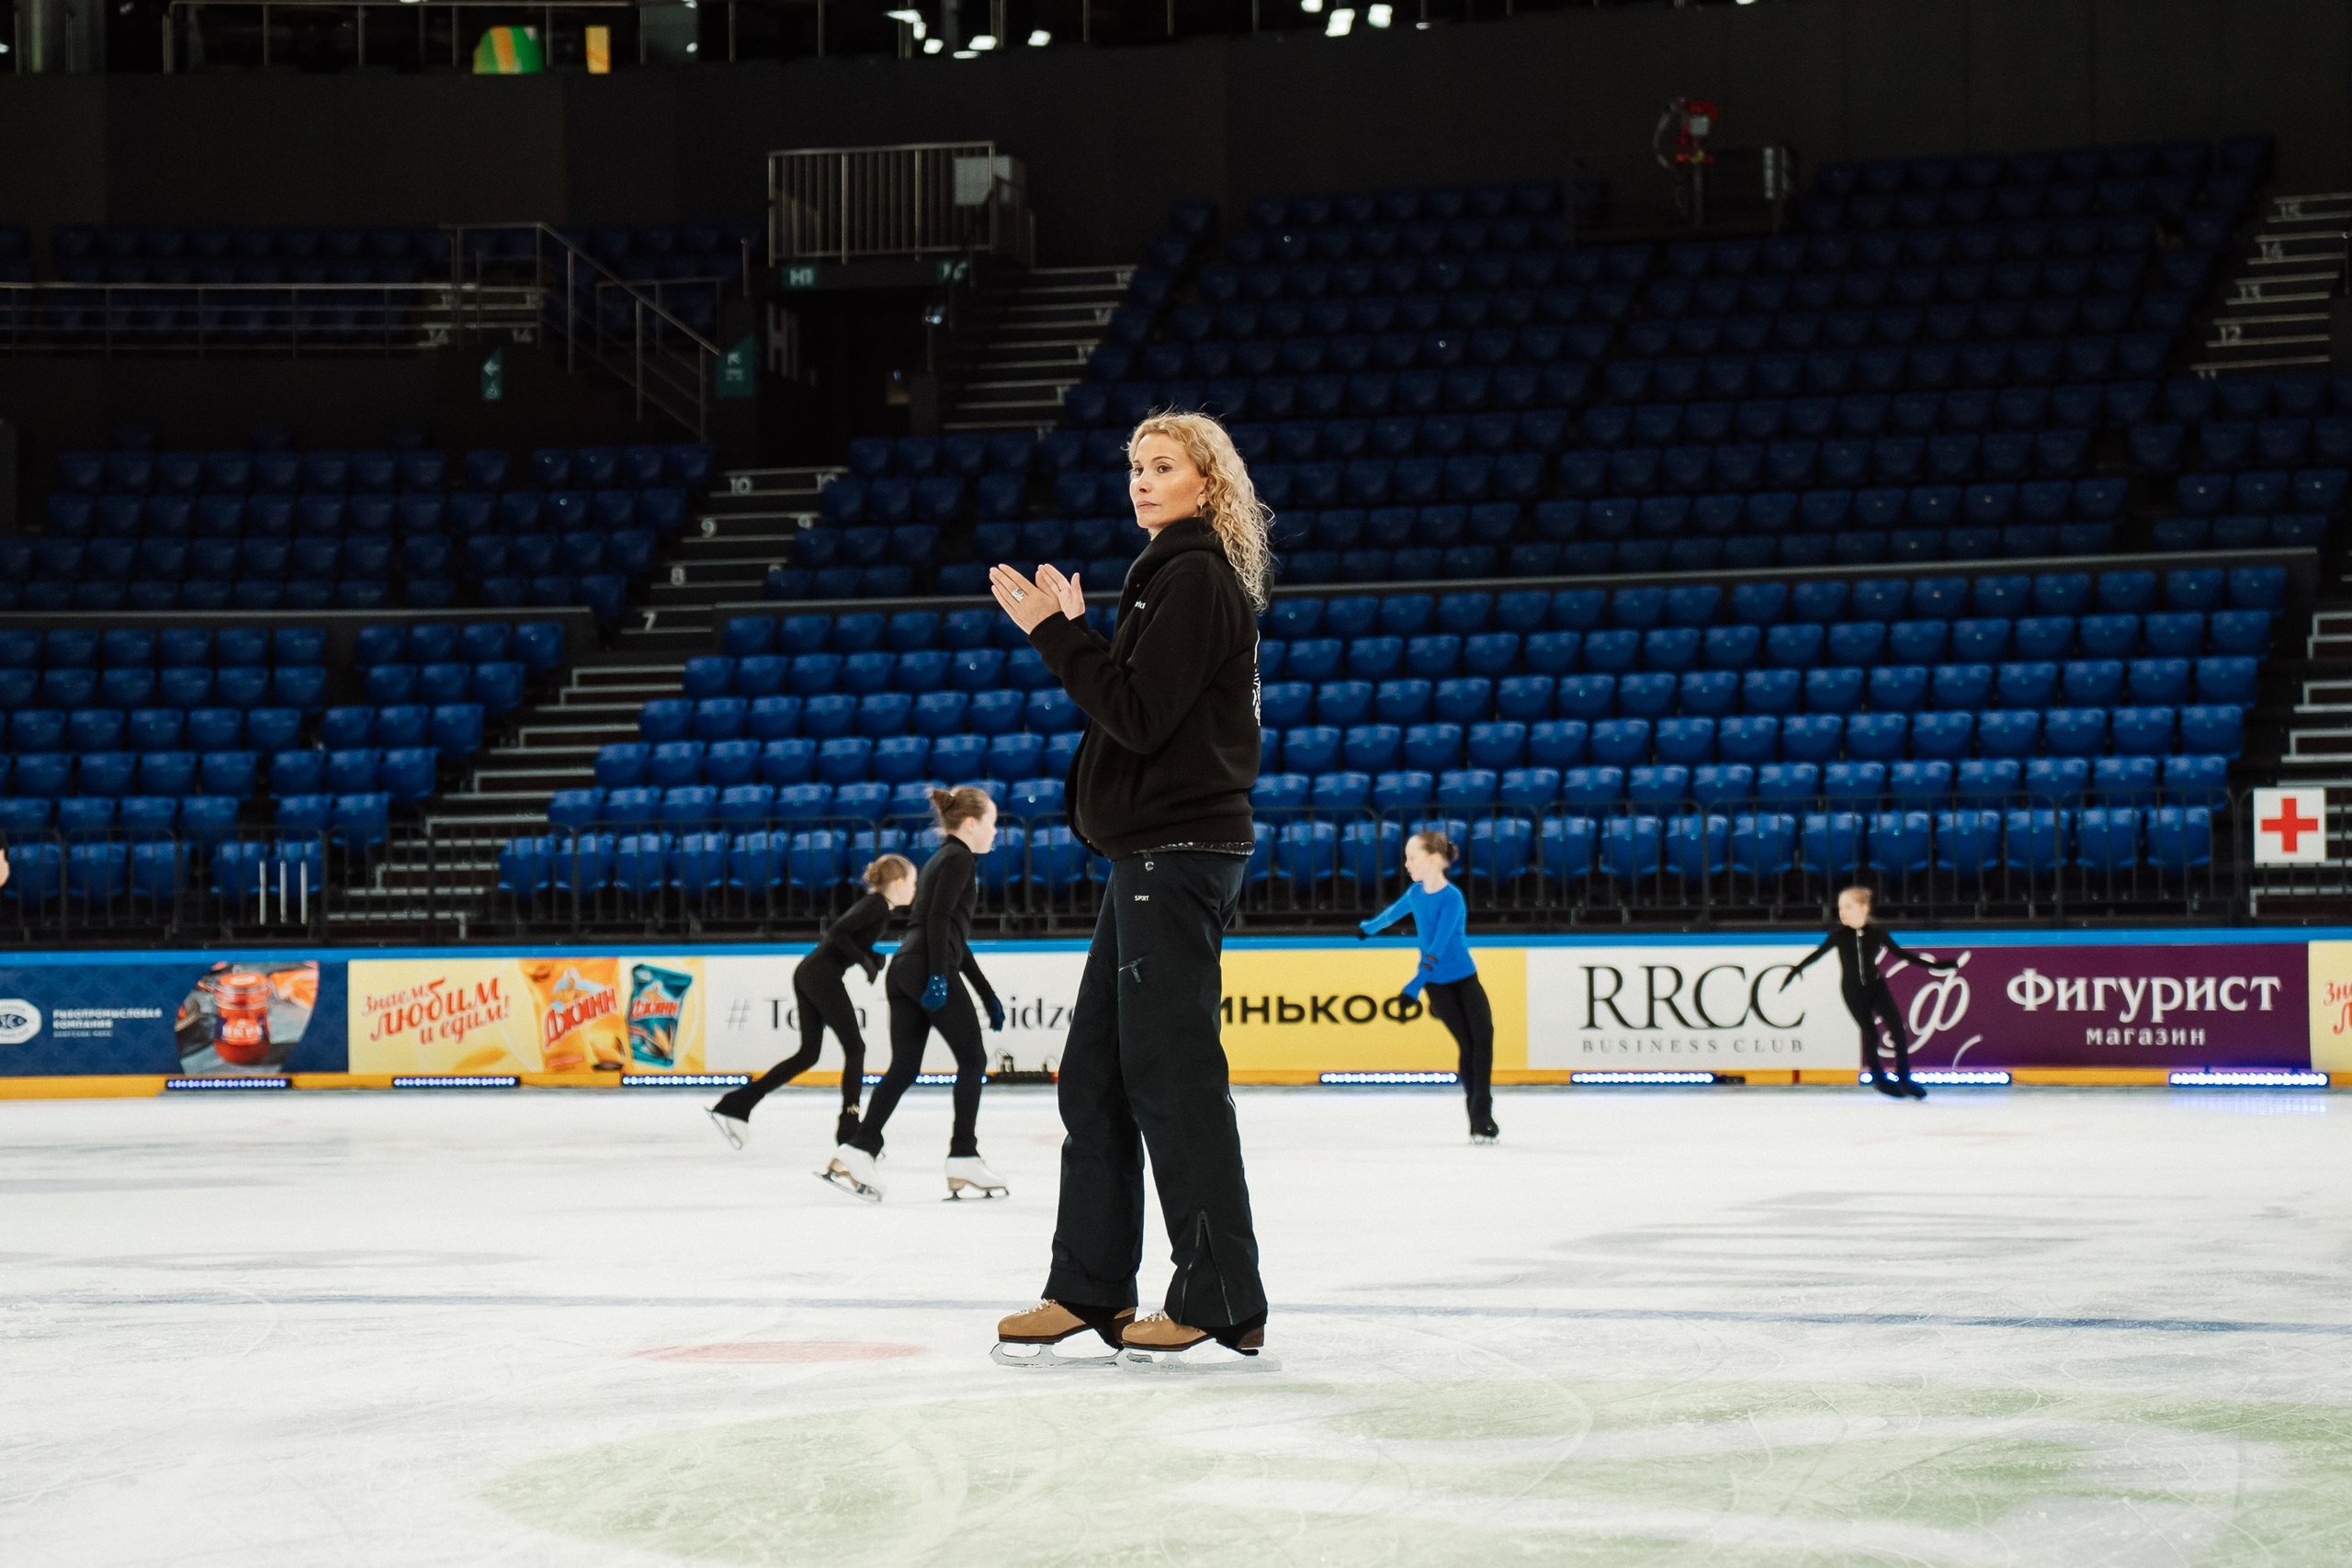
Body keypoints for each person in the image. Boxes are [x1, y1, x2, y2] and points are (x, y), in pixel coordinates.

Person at [984, 411, 1273, 1371]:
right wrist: (1078, 633)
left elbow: (1137, 718)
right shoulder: (1170, 576)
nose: (1142, 481)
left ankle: (1220, 1296)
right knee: (1099, 1079)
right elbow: (1141, 707)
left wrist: (1059, 636)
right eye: (1135, 467)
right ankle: (1088, 1288)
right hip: (1148, 860)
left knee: (1172, 1080)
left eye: (1163, 467)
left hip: (1173, 857)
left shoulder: (1192, 578)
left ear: (1208, 483)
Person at [821, 788, 1007, 1202]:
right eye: (992, 822)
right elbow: (940, 920)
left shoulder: (944, 857)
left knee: (905, 1067)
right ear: (972, 824)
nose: (997, 831)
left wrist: (985, 992)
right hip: (925, 965)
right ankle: (963, 1155)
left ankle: (858, 1148)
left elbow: (953, 935)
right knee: (973, 1058)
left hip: (906, 964)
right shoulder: (959, 858)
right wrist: (939, 977)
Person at [707, 853, 915, 1151]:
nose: (915, 889)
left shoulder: (877, 907)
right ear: (897, 883)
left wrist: (871, 958)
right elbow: (837, 932)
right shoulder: (878, 906)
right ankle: (849, 1128)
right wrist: (865, 963)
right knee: (856, 1048)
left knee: (808, 1054)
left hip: (811, 972)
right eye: (913, 882)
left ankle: (737, 1103)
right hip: (821, 976)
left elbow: (849, 939)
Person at [1359, 830, 1498, 1143]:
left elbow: (1437, 947)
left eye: (1412, 858)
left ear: (1434, 860)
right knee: (1467, 1043)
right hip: (1438, 986)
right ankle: (1477, 1114)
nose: (1407, 864)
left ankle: (1481, 1111)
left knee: (1483, 1038)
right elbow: (1389, 916)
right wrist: (1366, 929)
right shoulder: (1414, 894)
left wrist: (1413, 986)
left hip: (1464, 979)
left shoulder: (1452, 898)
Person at [1782, 885, 1955, 1100]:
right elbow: (1816, 955)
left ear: (1864, 908)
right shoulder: (1838, 936)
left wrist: (1937, 966)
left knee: (1898, 1032)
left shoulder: (1877, 933)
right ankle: (1879, 1080)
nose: (1842, 912)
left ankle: (1904, 1079)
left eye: (1848, 907)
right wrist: (1794, 971)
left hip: (1876, 987)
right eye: (1840, 908)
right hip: (1853, 991)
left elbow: (1902, 954)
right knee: (1871, 1035)